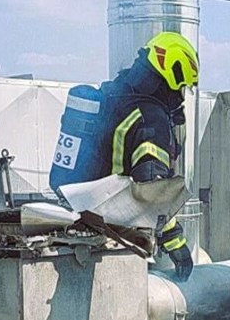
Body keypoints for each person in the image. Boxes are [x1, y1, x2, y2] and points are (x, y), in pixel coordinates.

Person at [50, 31, 198, 281]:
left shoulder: (113, 96)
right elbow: (152, 191)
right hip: (114, 241)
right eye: (183, 87)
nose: (181, 97)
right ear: (174, 72)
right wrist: (176, 243)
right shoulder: (151, 118)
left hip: (75, 224)